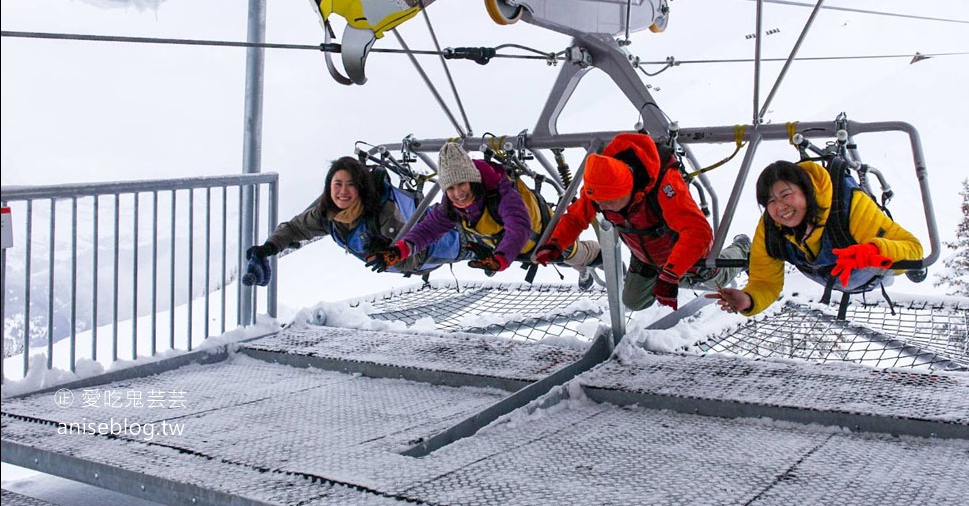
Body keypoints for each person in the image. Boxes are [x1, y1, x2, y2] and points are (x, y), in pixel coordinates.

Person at [538, 132, 750, 311]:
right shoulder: (600, 187)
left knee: (716, 280)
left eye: (610, 202)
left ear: (627, 188)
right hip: (646, 257)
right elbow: (575, 217)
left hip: (690, 255)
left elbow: (698, 232)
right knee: (633, 302)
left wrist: (671, 273)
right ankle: (670, 280)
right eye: (599, 203)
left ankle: (742, 246)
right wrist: (555, 244)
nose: (602, 208)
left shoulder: (664, 185)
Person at [707, 160, 923, 316]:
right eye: (770, 201)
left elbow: (913, 249)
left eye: (786, 195)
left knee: (892, 271)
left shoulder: (851, 208)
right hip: (826, 275)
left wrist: (873, 252)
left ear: (806, 190)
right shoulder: (771, 227)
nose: (780, 207)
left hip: (870, 276)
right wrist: (749, 299)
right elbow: (765, 281)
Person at [366, 142, 602, 283]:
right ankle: (582, 268)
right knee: (561, 262)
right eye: (450, 188)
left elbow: (519, 227)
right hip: (510, 251)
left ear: (473, 181)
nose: (458, 194)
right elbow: (428, 230)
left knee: (575, 254)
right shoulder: (451, 206)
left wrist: (500, 259)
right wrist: (399, 251)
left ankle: (599, 258)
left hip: (547, 237)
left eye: (462, 185)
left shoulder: (501, 193)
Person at [242, 156, 467, 286]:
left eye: (350, 185)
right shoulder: (327, 213)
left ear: (361, 188)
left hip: (445, 244)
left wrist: (389, 252)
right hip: (425, 245)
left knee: (479, 239)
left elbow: (414, 258)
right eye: (337, 184)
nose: (343, 192)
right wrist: (267, 249)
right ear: (329, 187)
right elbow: (295, 228)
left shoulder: (382, 212)